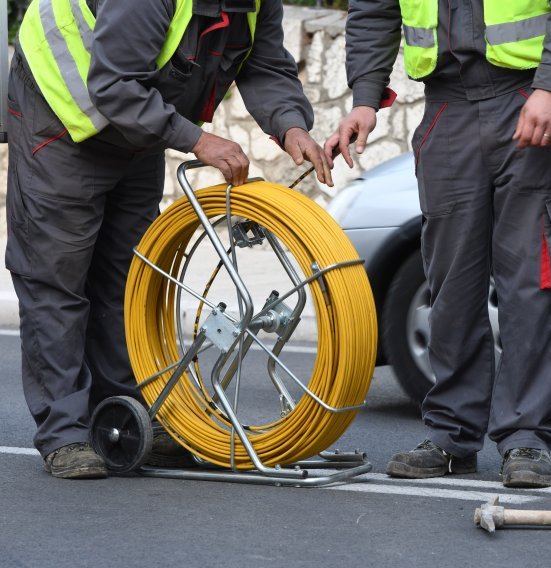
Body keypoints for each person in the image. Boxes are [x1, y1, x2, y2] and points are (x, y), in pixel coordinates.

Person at [7, 0, 331, 479]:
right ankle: (66, 434)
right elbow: (112, 83)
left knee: (131, 277)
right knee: (57, 277)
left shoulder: (257, 2)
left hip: (134, 123)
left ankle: (125, 415)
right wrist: (198, 141)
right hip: (62, 113)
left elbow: (264, 65)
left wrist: (290, 124)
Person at [325, 0, 551, 488]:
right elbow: (373, 9)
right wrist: (365, 99)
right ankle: (452, 435)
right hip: (445, 107)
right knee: (450, 286)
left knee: (530, 284)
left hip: (529, 98)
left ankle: (525, 439)